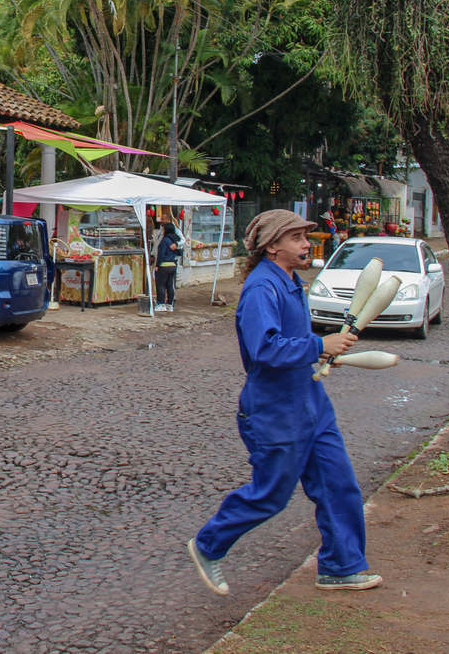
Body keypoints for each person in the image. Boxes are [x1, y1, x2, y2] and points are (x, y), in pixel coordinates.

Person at [187, 209, 381, 596]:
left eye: (305, 237)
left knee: (338, 484)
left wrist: (323, 354)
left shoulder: (291, 282)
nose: (306, 244)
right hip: (275, 410)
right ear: (272, 246)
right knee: (271, 495)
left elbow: (292, 343)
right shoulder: (262, 288)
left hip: (311, 402)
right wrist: (318, 344)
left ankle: (342, 566)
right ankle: (208, 545)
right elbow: (264, 349)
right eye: (296, 238)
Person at [154, 222, 182, 312]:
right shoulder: (176, 240)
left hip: (164, 265)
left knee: (161, 285)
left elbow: (161, 254)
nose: (162, 230)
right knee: (170, 285)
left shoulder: (165, 240)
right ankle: (170, 304)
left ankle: (161, 304)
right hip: (173, 265)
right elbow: (180, 252)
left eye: (163, 229)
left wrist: (157, 265)